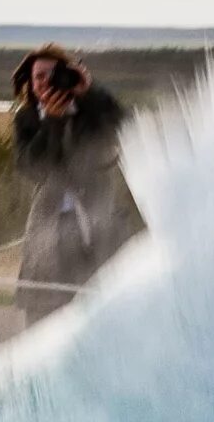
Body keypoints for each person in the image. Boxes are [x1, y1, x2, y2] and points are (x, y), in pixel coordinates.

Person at [10, 44, 135, 323]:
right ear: (29, 84)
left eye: (54, 74)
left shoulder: (91, 112)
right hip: (50, 228)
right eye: (39, 76)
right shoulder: (28, 119)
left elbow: (124, 131)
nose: (46, 82)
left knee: (103, 306)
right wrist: (52, 124)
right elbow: (33, 168)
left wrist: (90, 95)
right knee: (44, 311)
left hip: (98, 223)